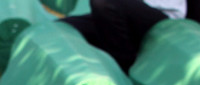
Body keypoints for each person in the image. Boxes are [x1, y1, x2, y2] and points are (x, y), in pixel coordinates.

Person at [60, 0, 200, 72]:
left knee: (105, 3)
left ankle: (125, 71)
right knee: (63, 29)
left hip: (164, 19)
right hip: (126, 9)